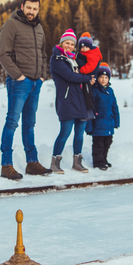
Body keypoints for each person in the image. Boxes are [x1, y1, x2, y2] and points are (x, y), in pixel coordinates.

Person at [0, 0, 52, 180]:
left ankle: (32, 163)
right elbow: (3, 54)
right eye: (29, 8)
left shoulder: (39, 28)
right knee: (12, 122)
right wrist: (18, 76)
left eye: (35, 9)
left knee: (30, 124)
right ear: (22, 7)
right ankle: (6, 165)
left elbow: (43, 54)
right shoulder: (11, 25)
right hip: (19, 82)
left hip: (36, 82)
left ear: (38, 10)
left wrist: (42, 75)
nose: (31, 12)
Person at [49, 28, 95, 174]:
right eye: (67, 43)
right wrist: (87, 78)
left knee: (79, 133)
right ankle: (55, 162)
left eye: (72, 44)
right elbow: (70, 76)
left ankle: (77, 162)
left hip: (81, 101)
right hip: (67, 101)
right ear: (61, 43)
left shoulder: (74, 59)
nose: (69, 46)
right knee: (65, 132)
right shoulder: (57, 59)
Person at [86, 62, 120, 170]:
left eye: (106, 77)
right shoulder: (94, 91)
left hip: (109, 123)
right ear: (97, 78)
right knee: (98, 144)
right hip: (98, 124)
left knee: (108, 142)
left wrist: (116, 121)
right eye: (101, 77)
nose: (103, 79)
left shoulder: (110, 91)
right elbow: (90, 109)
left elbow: (115, 106)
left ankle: (104, 159)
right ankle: (98, 162)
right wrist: (89, 127)